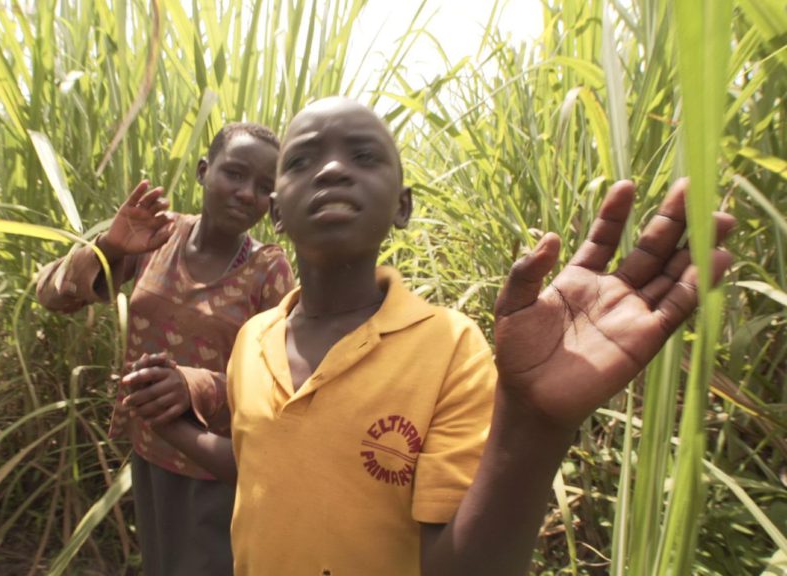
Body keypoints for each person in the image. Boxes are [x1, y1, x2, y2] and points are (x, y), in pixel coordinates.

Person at [133, 97, 735, 575]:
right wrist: (172, 427)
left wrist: (534, 426)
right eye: (302, 161)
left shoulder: (450, 348)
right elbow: (263, 465)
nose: (334, 168)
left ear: (403, 206)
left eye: (364, 156)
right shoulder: (255, 340)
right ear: (278, 212)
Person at [35, 122, 294, 576]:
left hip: (216, 463)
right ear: (203, 171)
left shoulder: (267, 269)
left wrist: (196, 385)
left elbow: (282, 383)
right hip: (150, 447)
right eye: (234, 174)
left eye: (264, 188)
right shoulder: (158, 235)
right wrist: (108, 249)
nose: (247, 193)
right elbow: (51, 296)